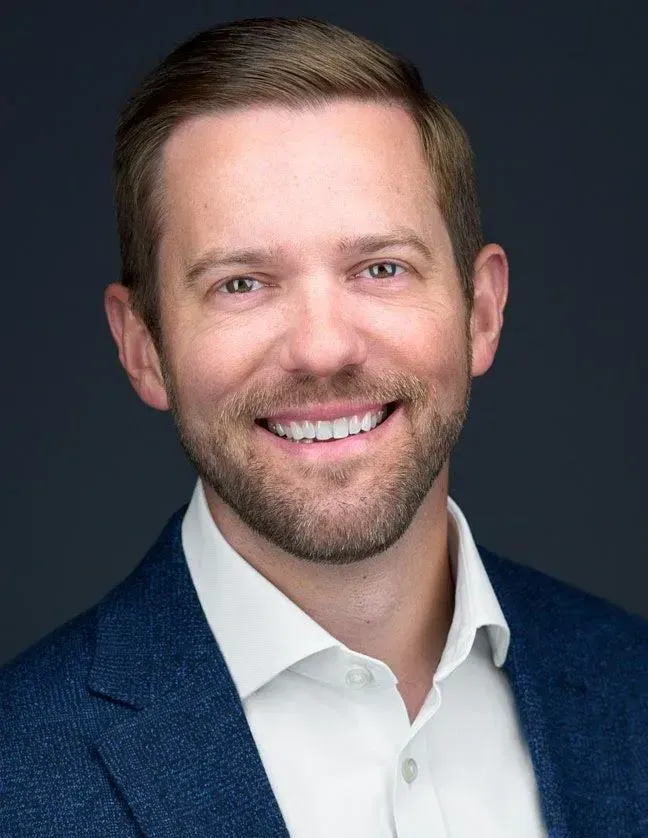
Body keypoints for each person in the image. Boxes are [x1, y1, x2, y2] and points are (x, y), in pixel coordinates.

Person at [1, 16, 646, 838]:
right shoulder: (17, 776)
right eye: (242, 283)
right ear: (143, 348)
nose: (321, 348)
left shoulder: (632, 687)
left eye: (380, 268)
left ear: (481, 312)